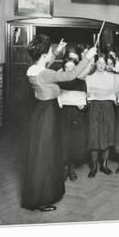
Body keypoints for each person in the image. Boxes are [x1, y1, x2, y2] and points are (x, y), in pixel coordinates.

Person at [22, 35, 96, 211]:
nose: (50, 54)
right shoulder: (46, 73)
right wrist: (87, 57)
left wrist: (55, 52)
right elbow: (70, 75)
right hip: (48, 115)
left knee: (43, 155)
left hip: (41, 113)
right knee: (46, 157)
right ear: (44, 54)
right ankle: (40, 199)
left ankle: (40, 195)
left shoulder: (33, 69)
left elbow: (45, 66)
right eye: (49, 51)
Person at [58, 48, 90, 181]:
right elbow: (54, 96)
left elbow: (85, 100)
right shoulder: (59, 80)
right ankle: (63, 168)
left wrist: (83, 106)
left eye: (73, 68)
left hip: (76, 116)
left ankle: (71, 169)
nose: (70, 70)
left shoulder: (81, 82)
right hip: (63, 115)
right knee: (63, 141)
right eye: (67, 67)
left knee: (74, 142)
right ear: (64, 68)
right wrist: (58, 102)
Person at [85, 54, 116, 177]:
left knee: (107, 135)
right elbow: (87, 94)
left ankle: (104, 165)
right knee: (94, 136)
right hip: (94, 108)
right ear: (95, 64)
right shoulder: (89, 78)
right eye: (99, 63)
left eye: (104, 63)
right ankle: (94, 166)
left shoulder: (111, 77)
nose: (102, 66)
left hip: (108, 107)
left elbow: (114, 93)